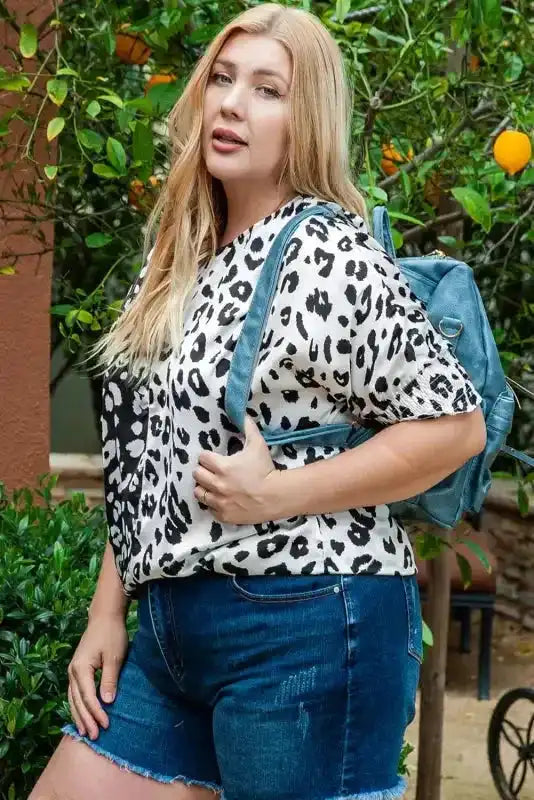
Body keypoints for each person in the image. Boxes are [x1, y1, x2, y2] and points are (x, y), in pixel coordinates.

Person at [30, 4, 486, 799]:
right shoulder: (183, 253)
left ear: (303, 122)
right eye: (223, 79)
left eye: (267, 89)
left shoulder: (328, 250)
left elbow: (455, 427)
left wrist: (278, 493)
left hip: (307, 622)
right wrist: (109, 609)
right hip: (175, 630)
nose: (232, 103)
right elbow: (148, 449)